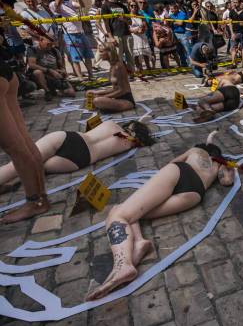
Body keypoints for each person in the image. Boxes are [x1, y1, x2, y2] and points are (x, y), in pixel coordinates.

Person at [85, 131, 238, 300]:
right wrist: (228, 167)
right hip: (194, 194)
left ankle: (122, 265)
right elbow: (226, 182)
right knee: (136, 214)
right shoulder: (218, 164)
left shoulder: (195, 151)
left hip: (179, 173)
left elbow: (171, 163)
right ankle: (139, 243)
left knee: (118, 213)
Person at [0, 120, 153, 193]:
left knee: (21, 162)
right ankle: (10, 181)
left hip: (71, 139)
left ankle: (6, 177)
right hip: (79, 160)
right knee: (36, 166)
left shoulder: (112, 124)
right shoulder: (128, 144)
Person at [0, 58, 49, 224]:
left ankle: (35, 202)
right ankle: (40, 197)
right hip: (5, 71)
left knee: (15, 146)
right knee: (24, 142)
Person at [48, 0, 95, 81]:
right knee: (75, 57)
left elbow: (82, 5)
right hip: (70, 34)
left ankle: (91, 75)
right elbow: (57, 6)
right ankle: (80, 78)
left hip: (81, 32)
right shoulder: (52, 4)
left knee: (88, 55)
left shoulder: (68, 2)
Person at [91, 42, 136, 112]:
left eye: (101, 51)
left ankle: (104, 106)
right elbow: (115, 89)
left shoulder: (118, 67)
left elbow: (122, 90)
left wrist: (104, 96)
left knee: (97, 100)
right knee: (90, 93)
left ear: (109, 52)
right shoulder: (112, 66)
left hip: (126, 100)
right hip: (117, 98)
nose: (99, 54)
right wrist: (99, 92)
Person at [101, 0, 134, 73]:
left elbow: (130, 21)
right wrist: (110, 37)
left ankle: (131, 73)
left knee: (130, 56)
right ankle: (121, 75)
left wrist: (125, 20)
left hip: (127, 34)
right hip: (116, 35)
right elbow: (106, 24)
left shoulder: (122, 5)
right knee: (118, 57)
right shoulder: (105, 6)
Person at [128, 1, 153, 74]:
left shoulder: (140, 15)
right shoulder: (128, 16)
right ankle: (139, 70)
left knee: (145, 54)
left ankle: (148, 68)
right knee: (136, 55)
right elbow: (128, 28)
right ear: (129, 7)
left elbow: (145, 25)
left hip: (142, 36)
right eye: (132, 6)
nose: (134, 7)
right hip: (134, 37)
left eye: (135, 5)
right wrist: (136, 30)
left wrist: (143, 29)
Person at [229, 0, 243, 68]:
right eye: (233, 2)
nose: (234, 4)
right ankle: (234, 64)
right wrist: (232, 33)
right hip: (234, 33)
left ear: (239, 3)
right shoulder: (231, 12)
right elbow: (230, 24)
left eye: (236, 2)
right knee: (233, 49)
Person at [136, 0, 156, 69]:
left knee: (151, 52)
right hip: (139, 36)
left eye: (144, 2)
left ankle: (153, 68)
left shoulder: (150, 11)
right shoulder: (135, 11)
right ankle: (144, 68)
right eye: (140, 2)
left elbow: (154, 23)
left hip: (149, 35)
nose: (142, 4)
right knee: (141, 53)